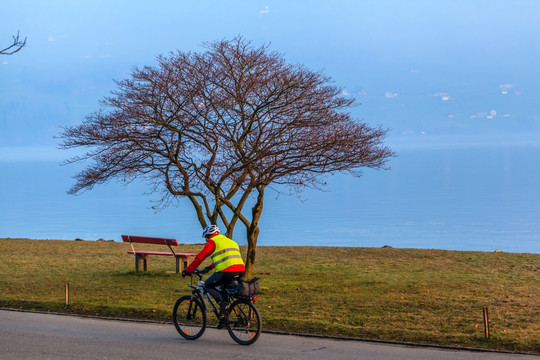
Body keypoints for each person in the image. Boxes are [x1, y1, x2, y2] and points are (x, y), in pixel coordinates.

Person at [182, 225, 245, 316]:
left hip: (227, 271)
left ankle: (222, 304)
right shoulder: (230, 241)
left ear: (208, 236)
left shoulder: (212, 242)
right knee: (223, 290)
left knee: (207, 285)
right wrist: (210, 267)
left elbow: (199, 258)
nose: (206, 240)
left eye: (206, 238)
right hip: (241, 270)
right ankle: (224, 318)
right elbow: (225, 258)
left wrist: (187, 270)